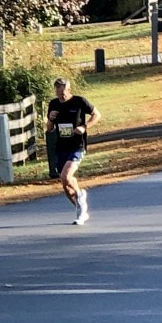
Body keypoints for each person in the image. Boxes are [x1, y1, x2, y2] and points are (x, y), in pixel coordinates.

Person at [46, 78, 101, 226]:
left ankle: (81, 202)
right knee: (65, 182)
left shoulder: (79, 101)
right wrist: (50, 119)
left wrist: (84, 126)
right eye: (58, 90)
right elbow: (49, 129)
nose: (61, 93)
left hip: (77, 146)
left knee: (66, 175)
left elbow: (97, 114)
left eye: (63, 90)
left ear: (69, 89)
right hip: (61, 147)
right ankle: (79, 204)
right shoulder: (53, 104)